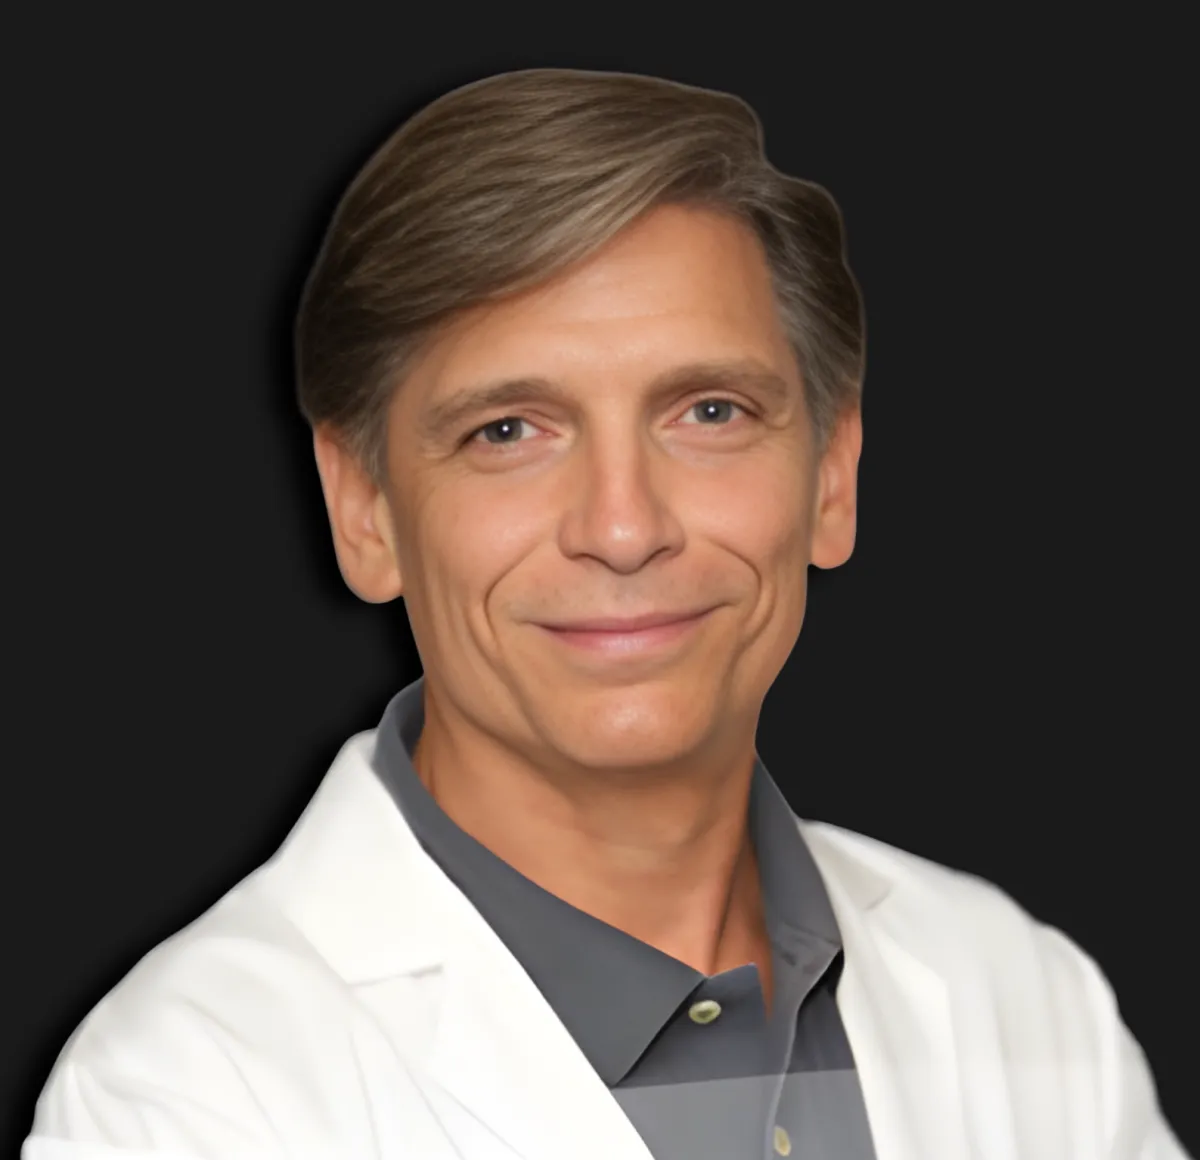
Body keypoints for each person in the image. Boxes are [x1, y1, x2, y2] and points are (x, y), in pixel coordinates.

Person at [23, 68, 1187, 1160]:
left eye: (710, 411)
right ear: (364, 508)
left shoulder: (1025, 997)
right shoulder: (181, 1098)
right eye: (507, 431)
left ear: (832, 476)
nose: (623, 527)